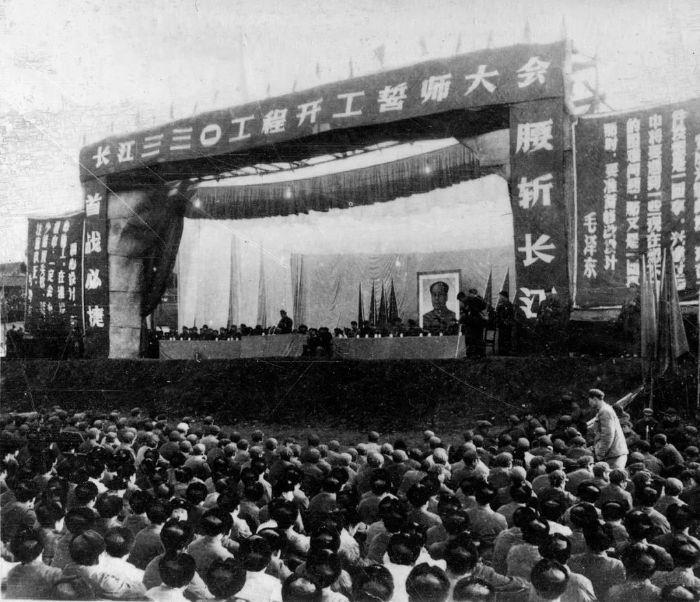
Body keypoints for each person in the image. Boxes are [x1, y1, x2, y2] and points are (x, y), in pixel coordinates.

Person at [588, 389, 628, 469]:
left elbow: (608, 435)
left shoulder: (604, 411)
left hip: (613, 456)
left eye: (589, 400)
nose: (589, 403)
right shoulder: (604, 409)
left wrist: (600, 454)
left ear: (595, 399)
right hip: (613, 453)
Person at [459, 289, 488, 358]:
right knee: (477, 338)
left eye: (470, 293)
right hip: (477, 322)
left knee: (475, 338)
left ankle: (475, 354)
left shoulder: (471, 300)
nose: (469, 295)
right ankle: (479, 354)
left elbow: (471, 311)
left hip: (475, 323)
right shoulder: (478, 300)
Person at [494, 290, 514, 355]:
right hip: (502, 324)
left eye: (501, 296)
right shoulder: (501, 304)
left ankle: (506, 351)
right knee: (501, 338)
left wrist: (506, 321)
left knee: (506, 338)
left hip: (507, 324)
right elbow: (498, 313)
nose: (500, 298)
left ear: (504, 297)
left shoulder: (509, 304)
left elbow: (511, 314)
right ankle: (502, 351)